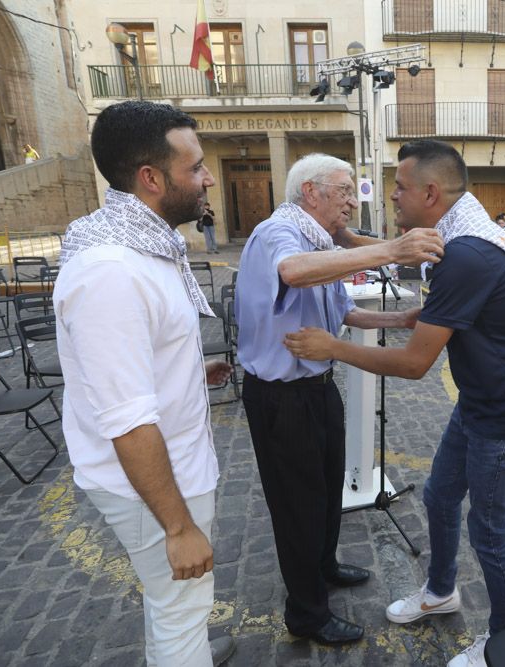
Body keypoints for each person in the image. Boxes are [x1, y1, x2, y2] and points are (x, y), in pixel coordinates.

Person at [285, 139, 505, 667]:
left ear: (431, 193)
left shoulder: (470, 256)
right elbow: (399, 247)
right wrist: (343, 237)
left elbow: (413, 364)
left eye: (401, 187)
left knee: (490, 530)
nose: (391, 195)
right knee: (438, 497)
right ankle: (440, 591)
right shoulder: (460, 228)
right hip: (481, 399)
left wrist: (332, 346)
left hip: (504, 413)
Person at [234, 153, 444, 645]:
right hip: (281, 397)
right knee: (298, 505)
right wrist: (390, 249)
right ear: (310, 192)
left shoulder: (318, 240)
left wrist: (399, 319)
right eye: (345, 190)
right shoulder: (278, 233)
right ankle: (306, 614)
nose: (354, 201)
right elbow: (293, 272)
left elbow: (342, 309)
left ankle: (323, 566)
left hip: (317, 387)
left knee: (327, 490)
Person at [53, 100, 235, 665]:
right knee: (181, 609)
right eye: (196, 166)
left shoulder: (146, 246)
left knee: (177, 605)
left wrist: (184, 374)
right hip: (152, 488)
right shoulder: (110, 270)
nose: (207, 178)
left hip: (172, 466)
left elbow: (131, 365)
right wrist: (178, 528)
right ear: (151, 178)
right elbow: (126, 419)